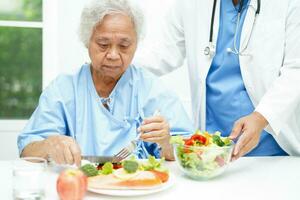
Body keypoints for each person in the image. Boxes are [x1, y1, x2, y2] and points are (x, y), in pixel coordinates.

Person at [17, 0, 194, 166]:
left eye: (124, 46)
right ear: (87, 41)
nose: (113, 55)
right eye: (103, 44)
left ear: (136, 44)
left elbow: (190, 154)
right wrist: (49, 145)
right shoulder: (63, 90)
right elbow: (27, 151)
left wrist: (167, 143)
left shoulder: (153, 90)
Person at [134, 0, 300, 160]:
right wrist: (117, 61)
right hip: (210, 148)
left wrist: (261, 117)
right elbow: (163, 53)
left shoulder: (289, 3)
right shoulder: (190, 4)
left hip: (272, 146)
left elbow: (295, 69)